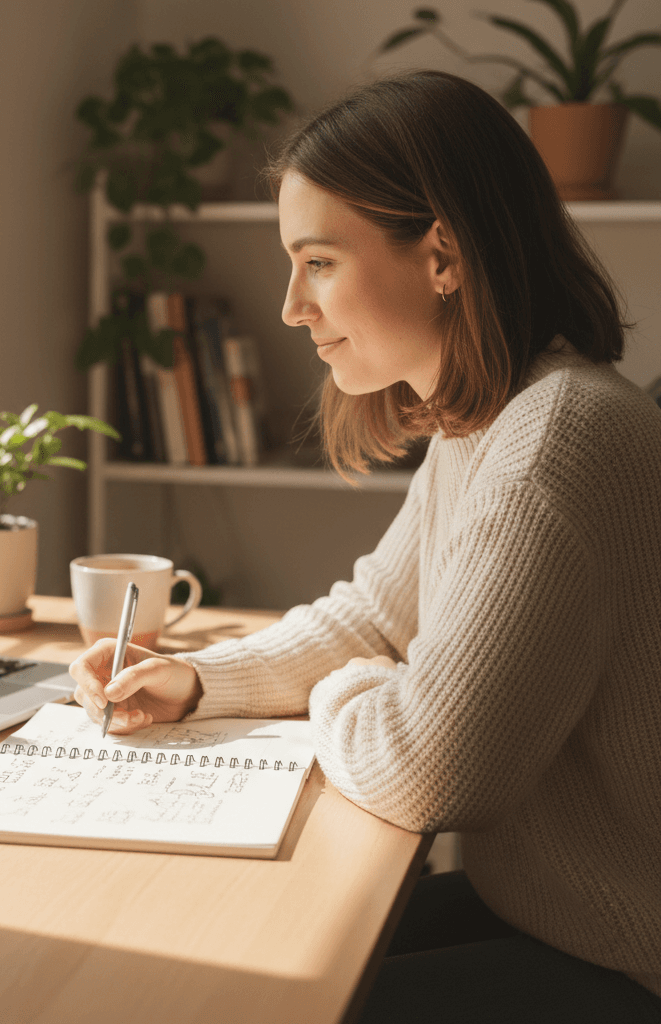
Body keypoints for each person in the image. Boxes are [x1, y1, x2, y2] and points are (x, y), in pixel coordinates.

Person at [69, 70, 661, 1022]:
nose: (290, 306)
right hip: (553, 914)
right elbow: (377, 619)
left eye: (319, 262)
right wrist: (199, 680)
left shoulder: (555, 445)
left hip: (627, 958)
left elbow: (432, 769)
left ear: (443, 256)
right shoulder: (491, 420)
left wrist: (353, 690)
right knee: (219, 961)